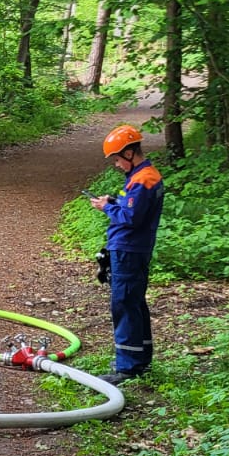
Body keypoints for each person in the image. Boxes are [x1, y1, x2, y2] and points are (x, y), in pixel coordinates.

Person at [89, 124, 164, 385]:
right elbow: (129, 207)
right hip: (129, 249)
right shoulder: (139, 177)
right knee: (133, 303)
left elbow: (132, 218)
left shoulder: (144, 180)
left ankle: (128, 367)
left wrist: (105, 209)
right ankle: (138, 358)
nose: (117, 164)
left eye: (118, 159)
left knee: (124, 304)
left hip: (130, 250)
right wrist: (112, 202)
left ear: (130, 153)